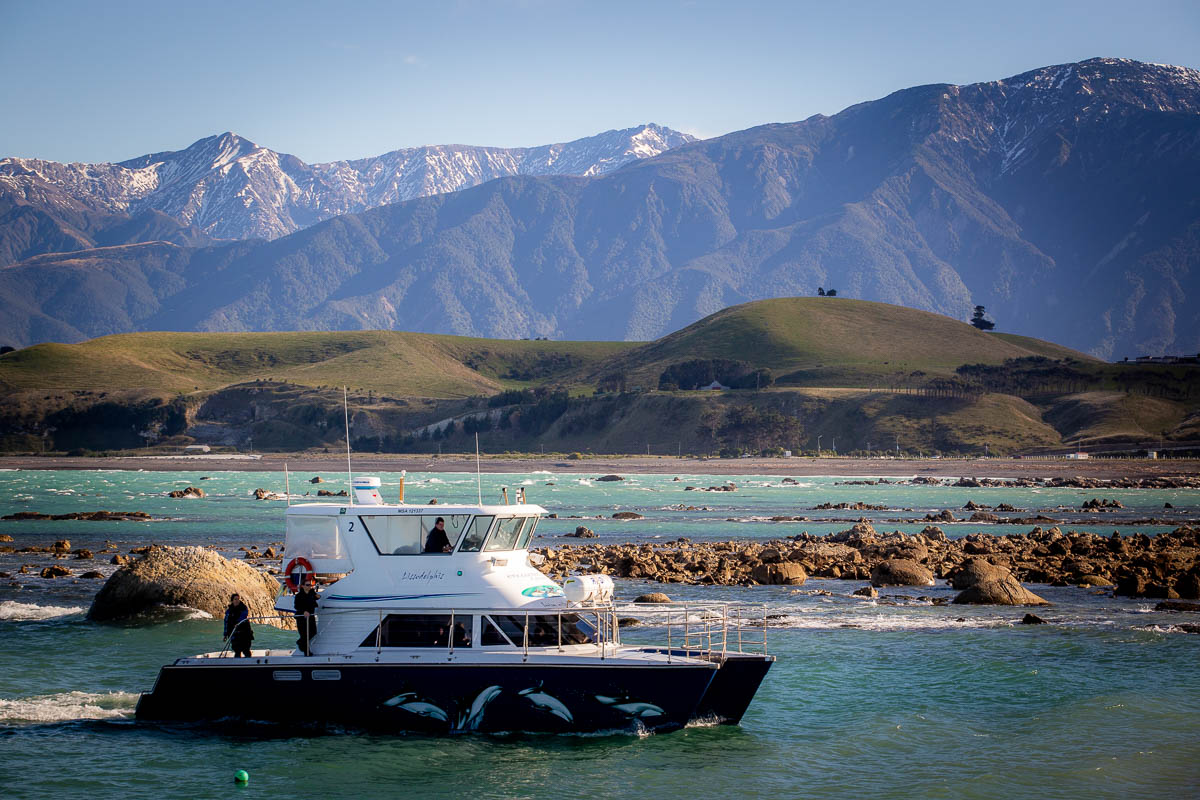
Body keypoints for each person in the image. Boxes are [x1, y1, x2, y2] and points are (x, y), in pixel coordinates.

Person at [223, 593, 253, 658]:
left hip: (244, 633)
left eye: (238, 599)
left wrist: (238, 622)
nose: (237, 601)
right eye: (235, 599)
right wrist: (225, 634)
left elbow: (243, 616)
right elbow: (226, 622)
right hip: (234, 633)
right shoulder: (229, 611)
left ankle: (249, 663)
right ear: (232, 600)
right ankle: (236, 664)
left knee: (246, 650)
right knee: (237, 650)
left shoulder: (243, 608)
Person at [294, 580, 319, 656]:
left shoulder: (311, 593)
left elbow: (317, 598)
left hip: (310, 616)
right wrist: (304, 611)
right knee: (304, 634)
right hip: (301, 617)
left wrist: (317, 596)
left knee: (313, 632)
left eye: (310, 585)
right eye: (307, 585)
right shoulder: (299, 595)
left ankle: (300, 642)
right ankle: (307, 652)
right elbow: (297, 606)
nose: (309, 586)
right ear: (303, 586)